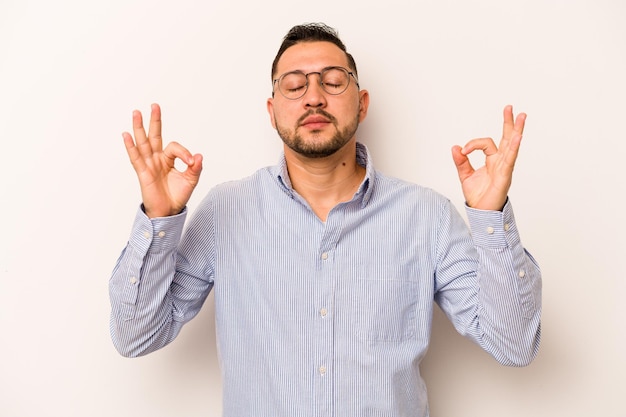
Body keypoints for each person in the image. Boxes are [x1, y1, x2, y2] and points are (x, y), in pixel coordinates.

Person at [109, 22, 541, 417]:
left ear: (362, 102)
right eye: (294, 86)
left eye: (333, 81)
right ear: (272, 108)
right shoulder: (226, 212)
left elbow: (515, 344)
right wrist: (158, 219)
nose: (314, 96)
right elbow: (136, 336)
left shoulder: (426, 217)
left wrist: (489, 217)